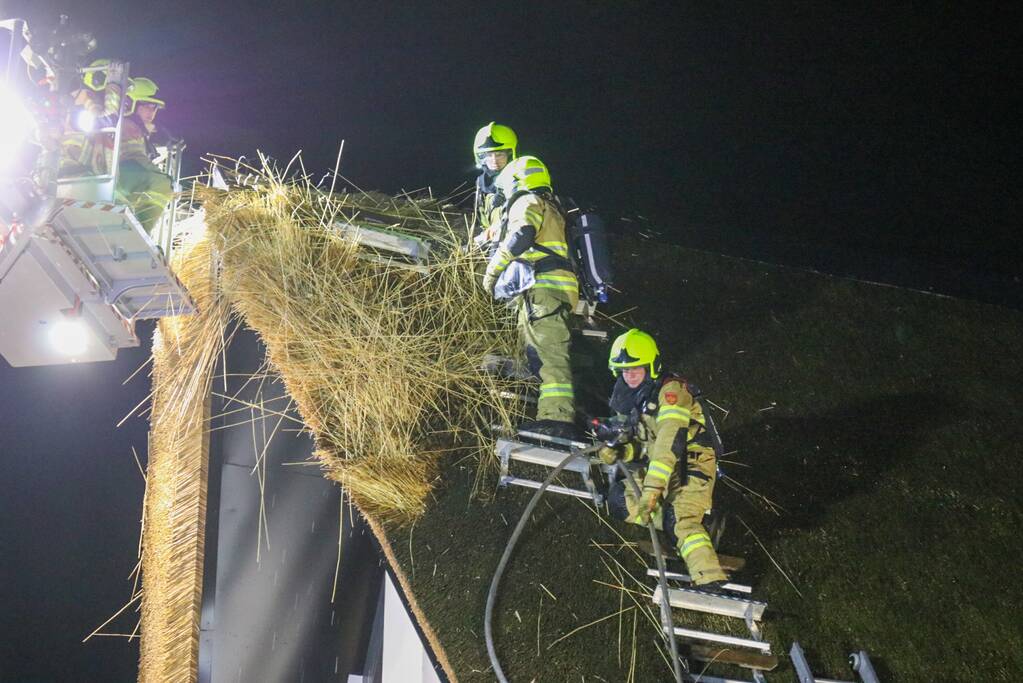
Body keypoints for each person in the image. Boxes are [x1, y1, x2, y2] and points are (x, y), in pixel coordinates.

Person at [600, 328, 728, 587]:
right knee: (617, 501)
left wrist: (651, 490)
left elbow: (669, 442)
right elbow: (649, 445)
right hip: (662, 466)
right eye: (625, 371)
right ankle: (684, 520)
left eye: (636, 368)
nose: (630, 375)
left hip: (692, 464)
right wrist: (623, 452)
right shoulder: (639, 397)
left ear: (651, 367)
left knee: (680, 520)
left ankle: (710, 579)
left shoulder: (672, 393)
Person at [482, 155, 578, 438]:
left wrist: (493, 271)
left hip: (544, 291)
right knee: (542, 353)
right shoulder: (552, 206)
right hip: (551, 290)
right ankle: (553, 416)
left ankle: (557, 420)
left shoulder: (527, 201)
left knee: (549, 356)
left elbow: (521, 233)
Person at [102, 76, 174, 234]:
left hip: (121, 178)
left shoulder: (137, 129)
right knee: (162, 184)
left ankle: (133, 225)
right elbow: (135, 157)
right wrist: (162, 177)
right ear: (131, 103)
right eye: (147, 106)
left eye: (154, 108)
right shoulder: (129, 126)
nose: (152, 112)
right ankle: (141, 230)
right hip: (122, 172)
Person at [471, 121, 517, 242]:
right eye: (489, 155)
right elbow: (483, 219)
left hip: (516, 241)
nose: (494, 160)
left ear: (510, 154)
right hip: (494, 240)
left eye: (499, 154)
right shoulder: (481, 182)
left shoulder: (519, 176)